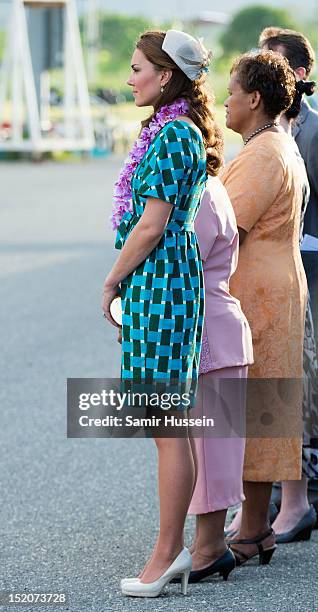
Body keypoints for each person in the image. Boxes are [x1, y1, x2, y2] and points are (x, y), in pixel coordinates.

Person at [102, 29, 223, 598]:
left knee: (167, 424)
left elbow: (151, 224)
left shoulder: (174, 133)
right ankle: (174, 550)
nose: (129, 79)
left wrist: (111, 278)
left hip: (164, 285)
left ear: (166, 75)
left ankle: (165, 554)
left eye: (136, 69)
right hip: (164, 284)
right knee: (169, 423)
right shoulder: (171, 129)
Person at [220, 51, 307, 566]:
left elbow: (228, 230)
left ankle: (252, 528)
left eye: (232, 91)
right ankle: (257, 528)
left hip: (261, 292)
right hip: (278, 284)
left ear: (254, 99)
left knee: (257, 406)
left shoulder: (262, 154)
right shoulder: (277, 144)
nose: (225, 101)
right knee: (265, 405)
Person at [258, 27, 318, 539]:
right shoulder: (263, 132)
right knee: (273, 387)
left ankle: (296, 500)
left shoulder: (313, 132)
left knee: (300, 385)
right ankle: (273, 500)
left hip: (304, 274)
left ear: (299, 74)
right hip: (271, 279)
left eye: (273, 64)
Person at [179, 173, 253, 583]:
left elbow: (185, 259)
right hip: (217, 325)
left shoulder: (202, 193)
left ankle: (210, 546)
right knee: (212, 444)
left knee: (211, 448)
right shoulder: (212, 188)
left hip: (212, 328)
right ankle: (208, 543)